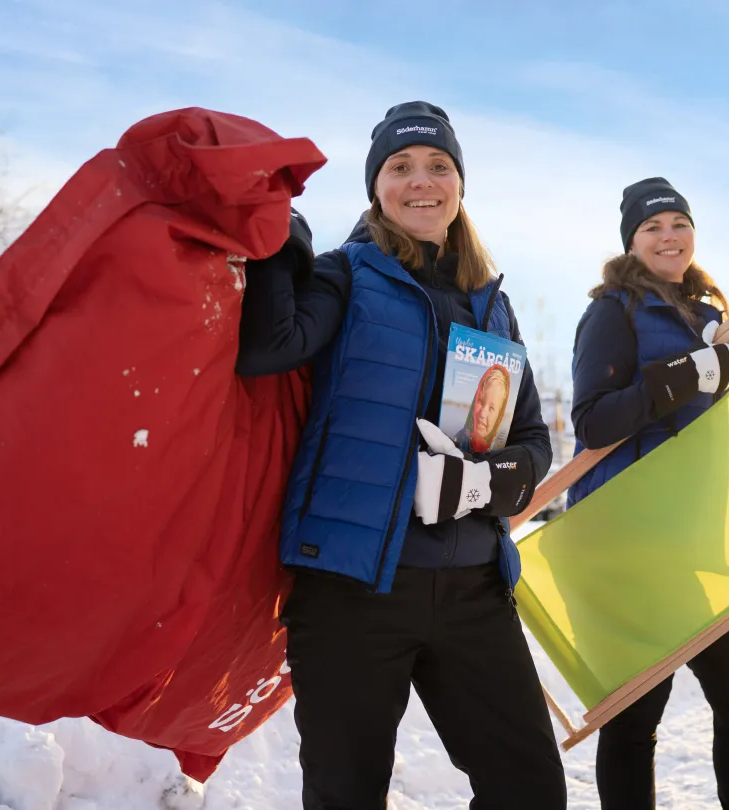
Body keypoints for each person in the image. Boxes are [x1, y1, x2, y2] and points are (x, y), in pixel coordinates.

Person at [236, 101, 566, 810]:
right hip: (354, 594)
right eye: (400, 167)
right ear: (376, 187)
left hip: (475, 592)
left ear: (459, 184)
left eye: (438, 166)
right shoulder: (346, 276)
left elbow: (535, 442)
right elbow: (268, 348)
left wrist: (478, 484)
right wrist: (278, 245)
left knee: (530, 792)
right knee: (345, 797)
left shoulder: (491, 305)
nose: (422, 181)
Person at [566, 177, 729, 810]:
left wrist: (722, 369)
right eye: (652, 227)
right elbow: (595, 422)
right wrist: (691, 373)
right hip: (628, 539)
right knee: (633, 714)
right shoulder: (612, 310)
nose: (668, 236)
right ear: (632, 240)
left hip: (693, 538)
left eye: (678, 223)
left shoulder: (713, 319)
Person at [456, 364, 512, 454]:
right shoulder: (458, 439)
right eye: (481, 402)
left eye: (491, 408)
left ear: (498, 417)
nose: (482, 414)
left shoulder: (497, 452)